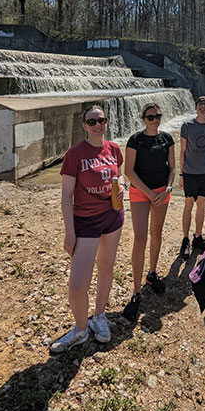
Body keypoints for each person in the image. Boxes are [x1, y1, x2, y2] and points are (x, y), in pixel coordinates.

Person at [50, 105, 125, 353]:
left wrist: (121, 186)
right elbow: (66, 196)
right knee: (77, 285)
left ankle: (99, 316)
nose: (97, 125)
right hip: (86, 222)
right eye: (91, 121)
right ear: (84, 125)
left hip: (112, 217)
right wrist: (69, 232)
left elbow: (119, 176)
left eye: (101, 120)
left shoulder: (114, 149)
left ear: (106, 122)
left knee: (106, 268)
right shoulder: (74, 154)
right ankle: (81, 329)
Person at [122, 102, 175, 320]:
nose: (155, 119)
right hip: (140, 193)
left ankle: (152, 274)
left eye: (158, 115)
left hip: (163, 192)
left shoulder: (167, 138)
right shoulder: (135, 140)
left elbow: (172, 167)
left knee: (157, 234)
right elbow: (129, 171)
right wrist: (148, 193)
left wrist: (168, 188)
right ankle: (135, 292)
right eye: (151, 116)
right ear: (143, 118)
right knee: (140, 238)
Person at [179, 95, 205, 259]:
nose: (203, 107)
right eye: (200, 104)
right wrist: (181, 174)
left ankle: (197, 237)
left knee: (202, 204)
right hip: (189, 172)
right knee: (189, 204)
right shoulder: (187, 126)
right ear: (196, 107)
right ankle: (185, 239)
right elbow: (182, 151)